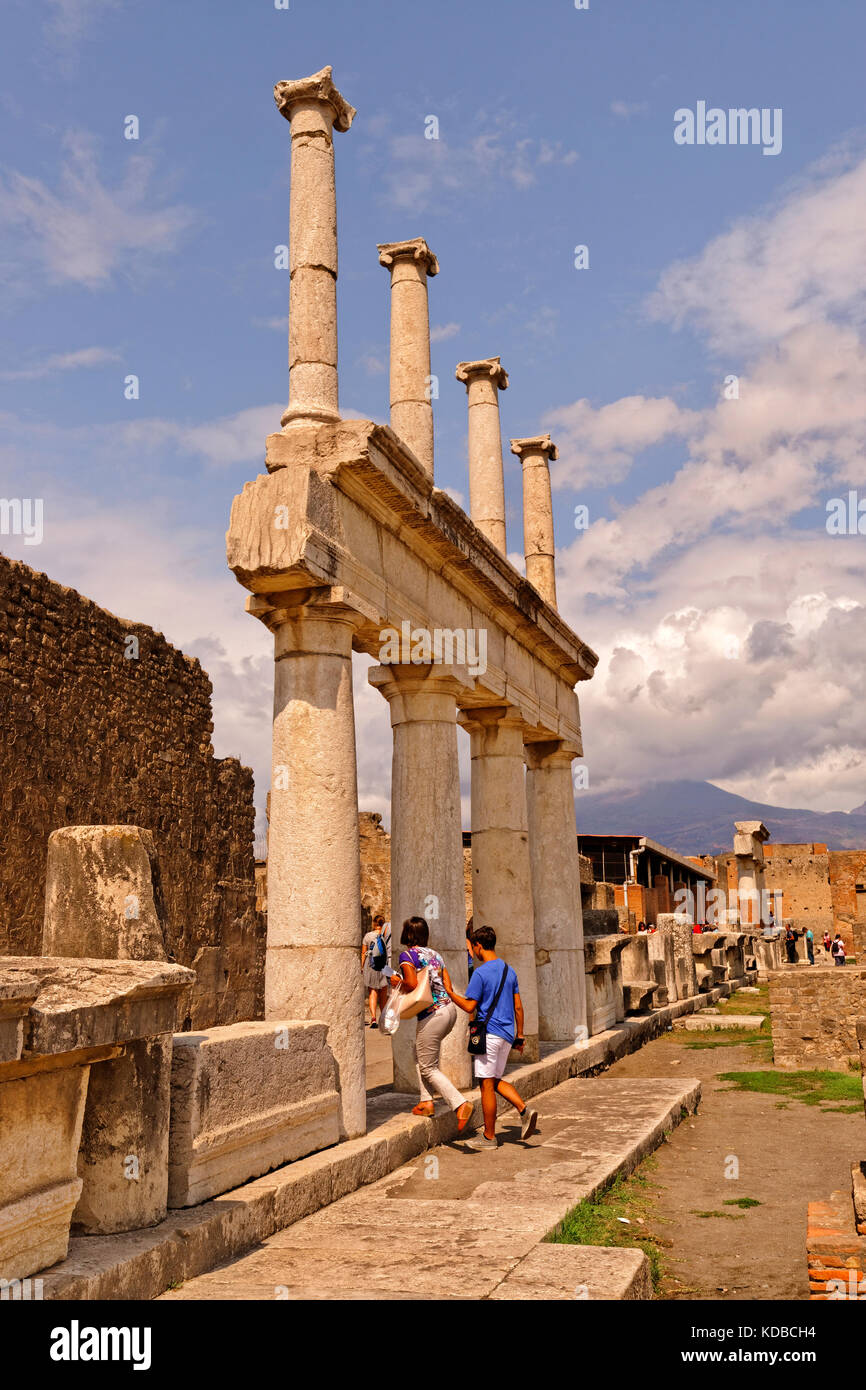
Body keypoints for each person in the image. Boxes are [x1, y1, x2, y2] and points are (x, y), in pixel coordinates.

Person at [445, 925, 538, 1151]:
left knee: (485, 1086)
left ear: (478, 945)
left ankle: (489, 1137)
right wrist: (520, 1035)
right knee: (493, 1081)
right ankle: (524, 1111)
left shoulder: (480, 973)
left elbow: (469, 1006)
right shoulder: (509, 970)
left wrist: (449, 992)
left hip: (489, 1034)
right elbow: (518, 1007)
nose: (472, 952)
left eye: (472, 947)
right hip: (506, 1035)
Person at [391, 917, 473, 1130]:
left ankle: (460, 1104)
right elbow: (446, 984)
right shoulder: (435, 955)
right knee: (418, 1054)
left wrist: (396, 981)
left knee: (428, 1068)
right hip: (449, 1011)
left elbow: (410, 983)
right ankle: (426, 1101)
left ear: (407, 934)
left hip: (432, 1014)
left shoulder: (407, 955)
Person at [360, 913, 391, 1028]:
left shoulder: (368, 936)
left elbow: (364, 952)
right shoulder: (386, 935)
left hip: (371, 964)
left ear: (374, 923)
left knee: (373, 991)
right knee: (383, 992)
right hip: (384, 964)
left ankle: (373, 1018)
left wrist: (362, 966)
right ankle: (383, 1019)